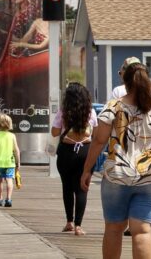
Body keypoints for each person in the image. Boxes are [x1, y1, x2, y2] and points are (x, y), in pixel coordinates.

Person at [82, 62, 151, 259]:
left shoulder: (114, 107)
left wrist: (87, 170)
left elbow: (99, 141)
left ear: (124, 81)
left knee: (114, 229)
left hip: (118, 175)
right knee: (142, 231)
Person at [51, 82, 97, 236]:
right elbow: (96, 134)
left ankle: (69, 222)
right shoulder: (90, 112)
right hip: (85, 151)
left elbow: (55, 132)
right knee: (82, 188)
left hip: (66, 151)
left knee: (67, 187)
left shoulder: (64, 112)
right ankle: (79, 226)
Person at [0, 114, 20, 207]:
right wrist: (18, 162)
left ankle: (0, 198)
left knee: (0, 180)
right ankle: (8, 199)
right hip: (10, 162)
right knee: (9, 180)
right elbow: (16, 150)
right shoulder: (12, 136)